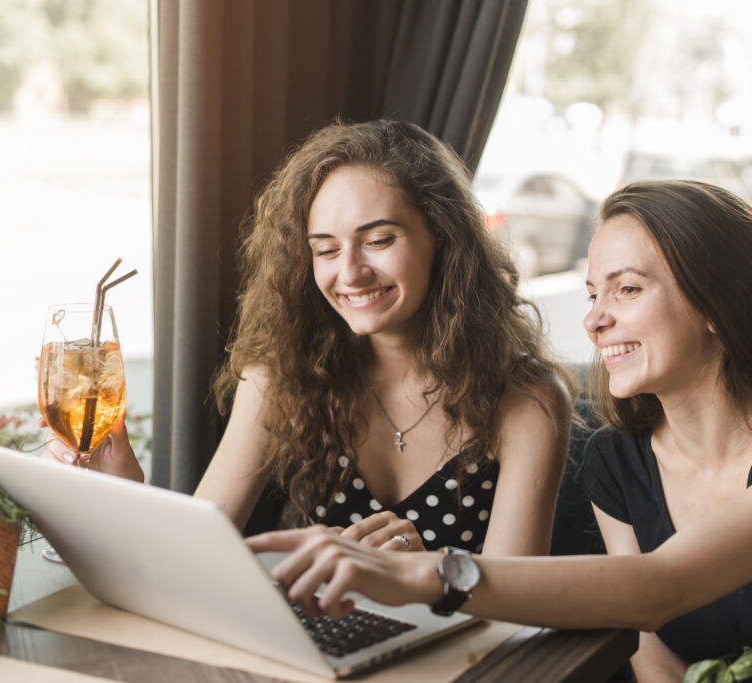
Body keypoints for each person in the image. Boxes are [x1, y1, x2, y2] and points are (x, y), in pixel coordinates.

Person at [247, 180, 752, 681]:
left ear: (720, 304)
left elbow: (662, 585)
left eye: (627, 290)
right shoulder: (615, 459)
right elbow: (655, 651)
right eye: (595, 292)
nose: (595, 318)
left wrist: (428, 573)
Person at [45, 119, 572, 557]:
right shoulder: (280, 374)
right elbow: (191, 556)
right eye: (326, 250)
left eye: (379, 240)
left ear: (443, 237)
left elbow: (516, 610)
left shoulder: (527, 400)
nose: (352, 273)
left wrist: (427, 574)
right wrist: (121, 489)